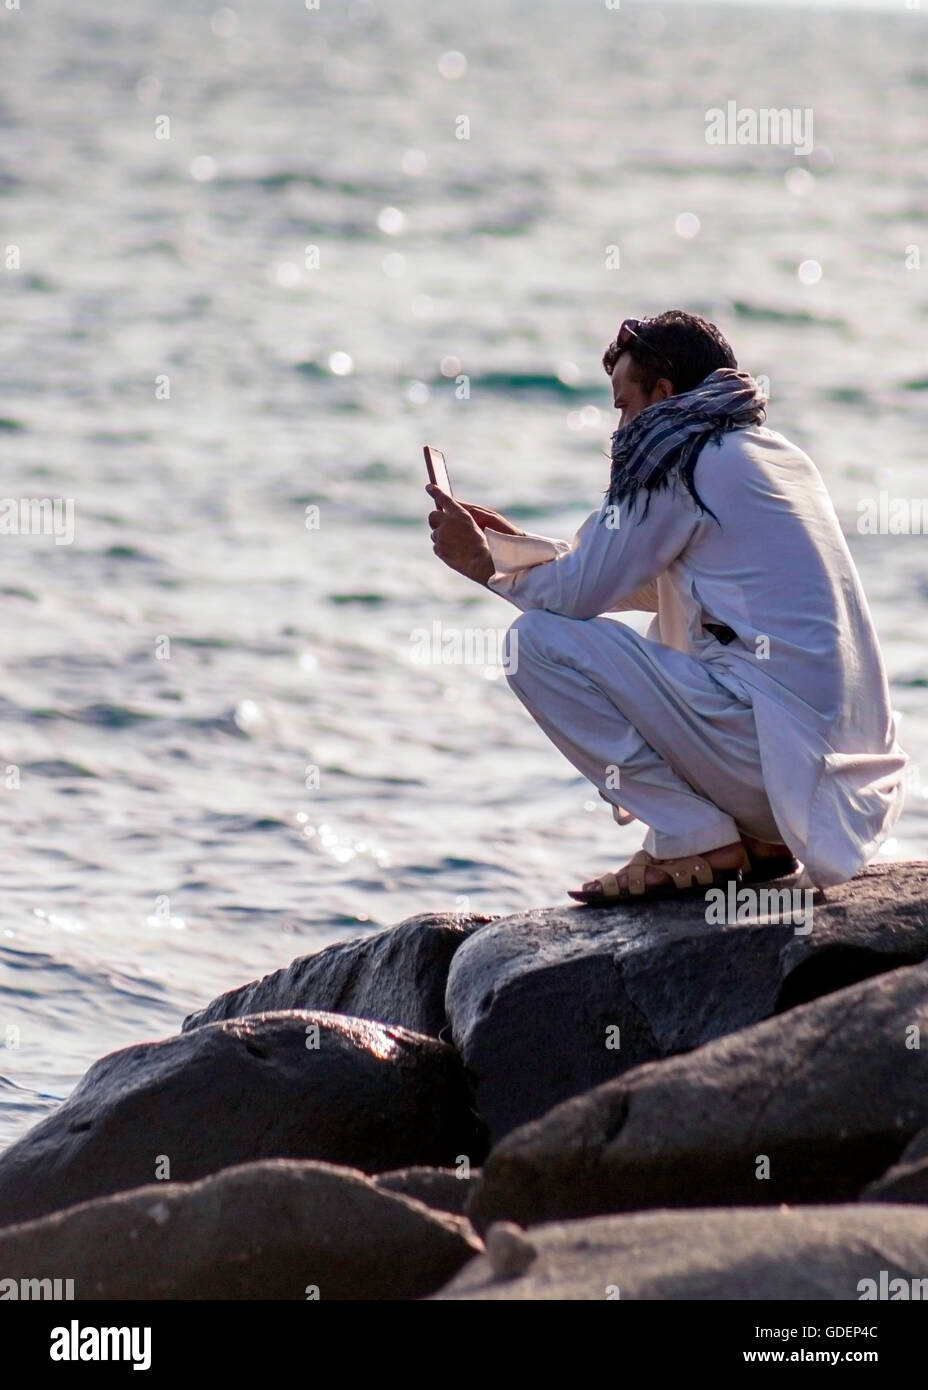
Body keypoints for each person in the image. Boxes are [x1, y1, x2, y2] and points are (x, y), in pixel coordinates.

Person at [426, 309, 907, 902]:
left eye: (625, 404)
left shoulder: (680, 455)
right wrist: (507, 549)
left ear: (664, 394)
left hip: (775, 768)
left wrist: (483, 565)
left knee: (535, 644)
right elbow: (654, 581)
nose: (622, 427)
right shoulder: (773, 456)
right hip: (833, 790)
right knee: (661, 635)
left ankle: (695, 835)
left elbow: (581, 595)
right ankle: (753, 842)